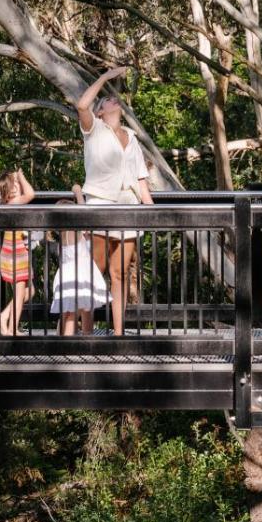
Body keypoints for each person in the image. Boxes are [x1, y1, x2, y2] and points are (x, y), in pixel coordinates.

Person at [76, 65, 154, 336]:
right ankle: (86, 331)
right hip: (100, 204)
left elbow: (141, 179)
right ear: (100, 112)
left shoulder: (131, 137)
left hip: (128, 208)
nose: (114, 99)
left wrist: (151, 211)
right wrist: (105, 77)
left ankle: (118, 334)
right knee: (96, 268)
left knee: (119, 273)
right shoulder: (94, 129)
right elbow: (81, 105)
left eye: (114, 98)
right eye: (108, 100)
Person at [49, 185, 109, 336]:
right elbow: (85, 212)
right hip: (82, 274)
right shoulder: (78, 232)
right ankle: (84, 339)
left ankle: (62, 340)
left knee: (68, 312)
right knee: (83, 310)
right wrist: (78, 193)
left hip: (66, 274)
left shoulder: (63, 236)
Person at [0, 168, 36, 336]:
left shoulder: (9, 204)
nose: (17, 186)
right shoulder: (15, 202)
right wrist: (21, 176)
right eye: (14, 184)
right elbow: (31, 194)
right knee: (20, 292)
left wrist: (17, 180)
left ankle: (2, 317)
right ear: (9, 192)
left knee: (29, 291)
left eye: (17, 183)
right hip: (16, 254)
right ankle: (12, 329)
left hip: (14, 253)